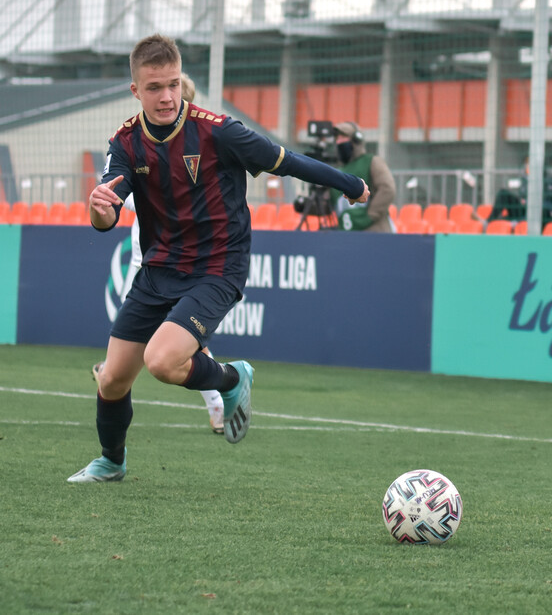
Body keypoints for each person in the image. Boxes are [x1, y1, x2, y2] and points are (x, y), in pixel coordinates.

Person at [69, 34, 370, 483]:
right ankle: (112, 462)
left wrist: (347, 182)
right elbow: (108, 209)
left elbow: (284, 162)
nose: (167, 96)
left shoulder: (218, 130)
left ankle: (231, 380)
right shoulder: (126, 142)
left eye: (172, 84)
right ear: (136, 91)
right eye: (154, 87)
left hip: (216, 267)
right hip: (158, 269)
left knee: (162, 361)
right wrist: (101, 212)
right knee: (112, 380)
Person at [89, 72, 225, 434]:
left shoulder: (199, 147)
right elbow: (122, 195)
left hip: (178, 264)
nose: (166, 101)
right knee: (134, 349)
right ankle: (113, 430)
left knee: (174, 347)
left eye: (174, 93)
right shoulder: (136, 145)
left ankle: (219, 398)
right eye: (157, 91)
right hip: (144, 263)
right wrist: (107, 199)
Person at [328, 121, 396, 232]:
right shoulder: (337, 170)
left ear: (356, 140)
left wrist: (370, 216)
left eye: (343, 137)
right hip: (347, 234)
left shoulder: (372, 161)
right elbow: (329, 204)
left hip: (374, 231)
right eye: (337, 138)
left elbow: (387, 188)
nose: (339, 141)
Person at [487, 155, 530, 223]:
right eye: (526, 164)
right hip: (519, 209)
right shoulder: (523, 180)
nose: (527, 166)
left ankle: (490, 221)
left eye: (529, 164)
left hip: (528, 212)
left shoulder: (541, 181)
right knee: (503, 193)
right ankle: (490, 221)